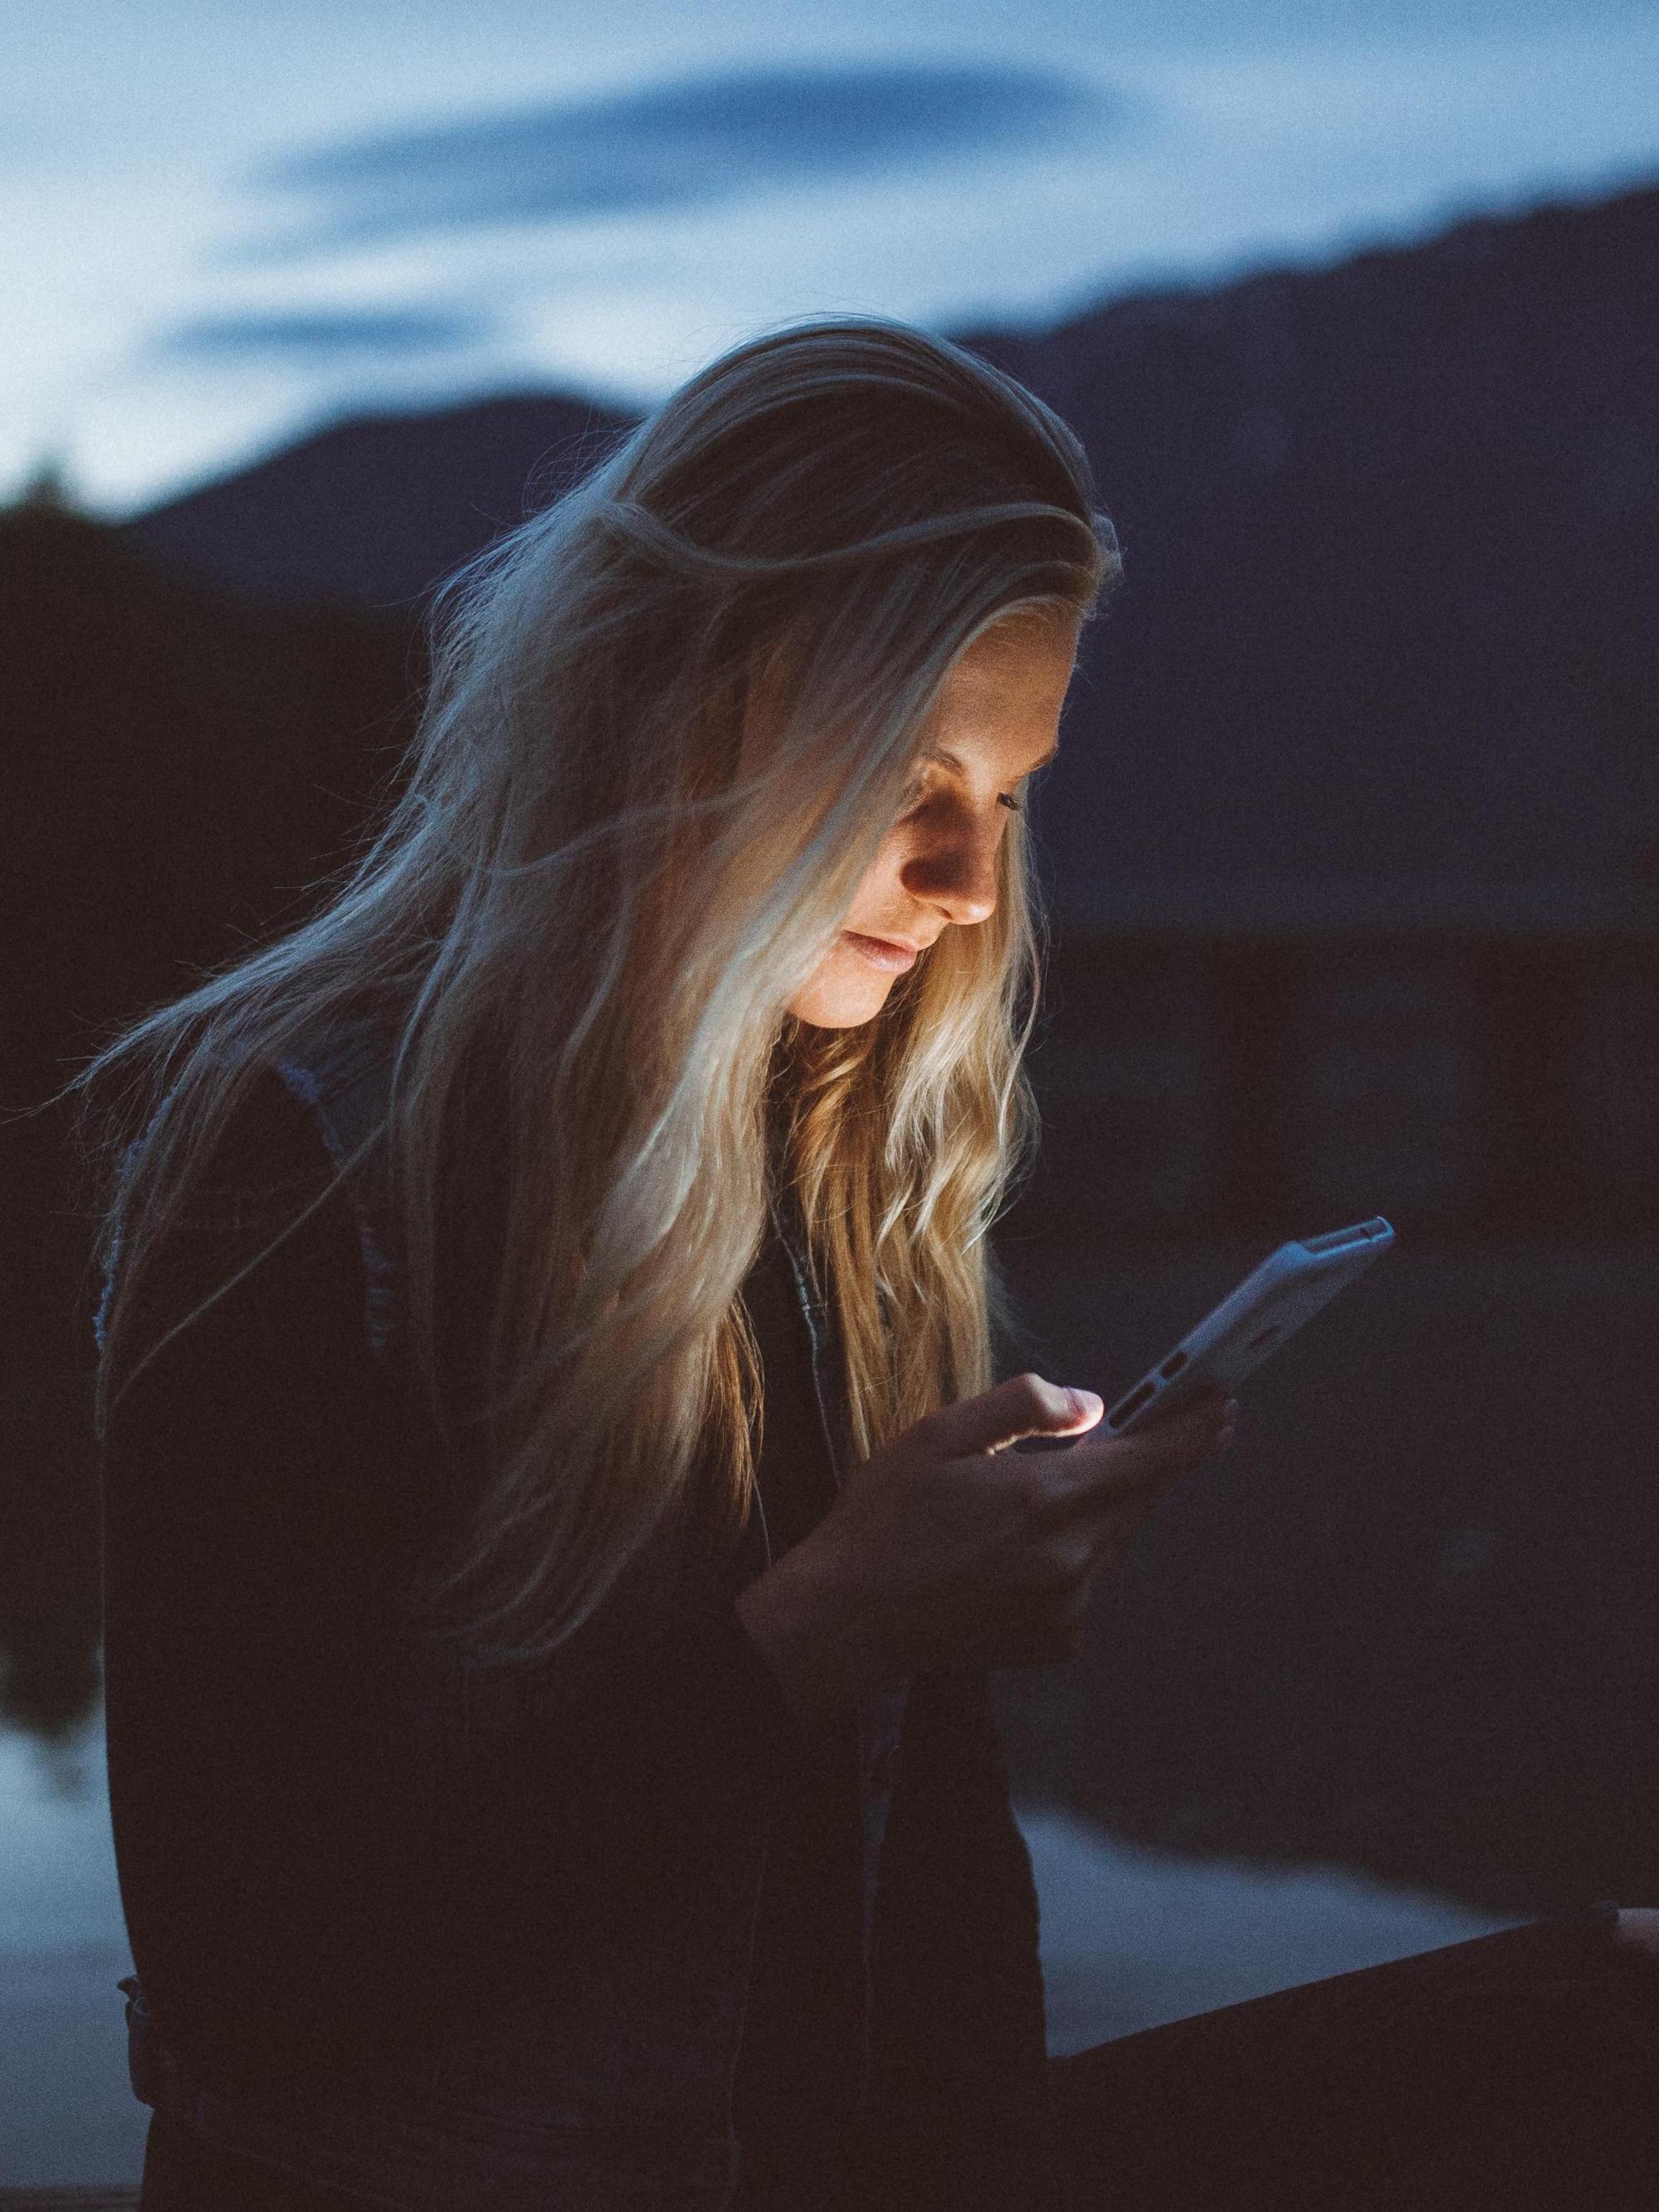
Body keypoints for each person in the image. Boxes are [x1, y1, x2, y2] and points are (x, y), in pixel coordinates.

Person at [76, 319, 1659, 2212]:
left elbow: (935, 1915)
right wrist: (830, 1627)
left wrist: (925, 1613)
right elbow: (264, 1991)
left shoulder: (827, 1160)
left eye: (1003, 793)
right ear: (680, 706)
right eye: (911, 770)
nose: (969, 881)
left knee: (1622, 1993)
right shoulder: (303, 1161)